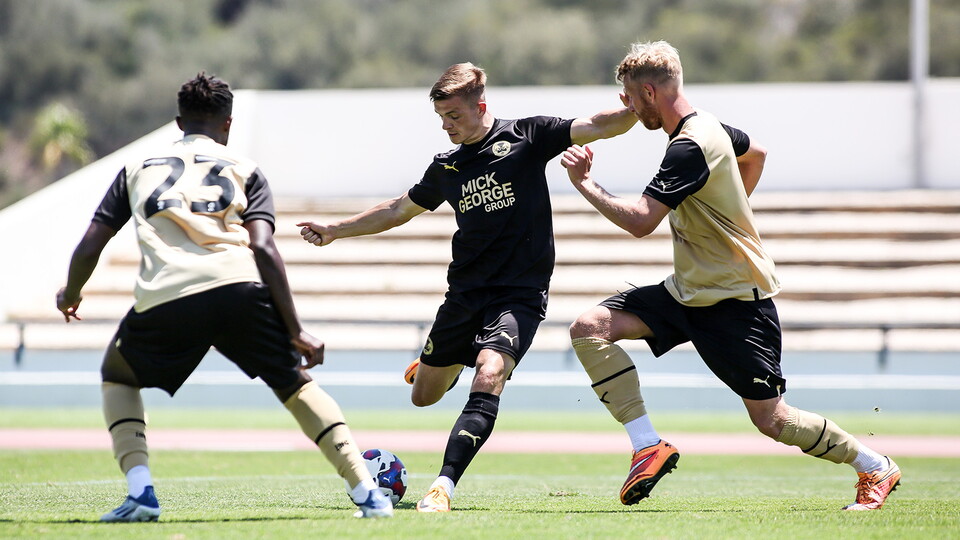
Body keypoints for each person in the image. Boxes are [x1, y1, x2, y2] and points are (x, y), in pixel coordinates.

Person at [560, 41, 901, 511]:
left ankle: (873, 465)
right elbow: (756, 152)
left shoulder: (688, 147)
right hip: (688, 292)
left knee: (773, 421)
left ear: (649, 91)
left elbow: (641, 221)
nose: (629, 108)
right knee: (589, 329)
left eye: (631, 98)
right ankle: (646, 446)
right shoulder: (710, 126)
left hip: (736, 302)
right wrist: (731, 208)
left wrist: (585, 184)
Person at [297, 62, 637, 512]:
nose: (446, 126)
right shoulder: (447, 167)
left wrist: (636, 109)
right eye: (441, 119)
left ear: (481, 106)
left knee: (491, 370)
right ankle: (448, 363)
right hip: (464, 296)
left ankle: (443, 486)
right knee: (423, 397)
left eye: (453, 117)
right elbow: (399, 209)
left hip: (519, 294)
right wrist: (336, 229)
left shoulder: (528, 136)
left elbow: (594, 125)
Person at [56, 73, 392, 522]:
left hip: (169, 293)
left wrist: (70, 293)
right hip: (239, 290)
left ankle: (140, 493)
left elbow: (91, 244)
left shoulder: (137, 169)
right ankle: (368, 493)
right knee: (295, 384)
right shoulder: (246, 169)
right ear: (228, 123)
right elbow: (263, 247)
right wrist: (297, 330)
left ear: (179, 122)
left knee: (118, 375)